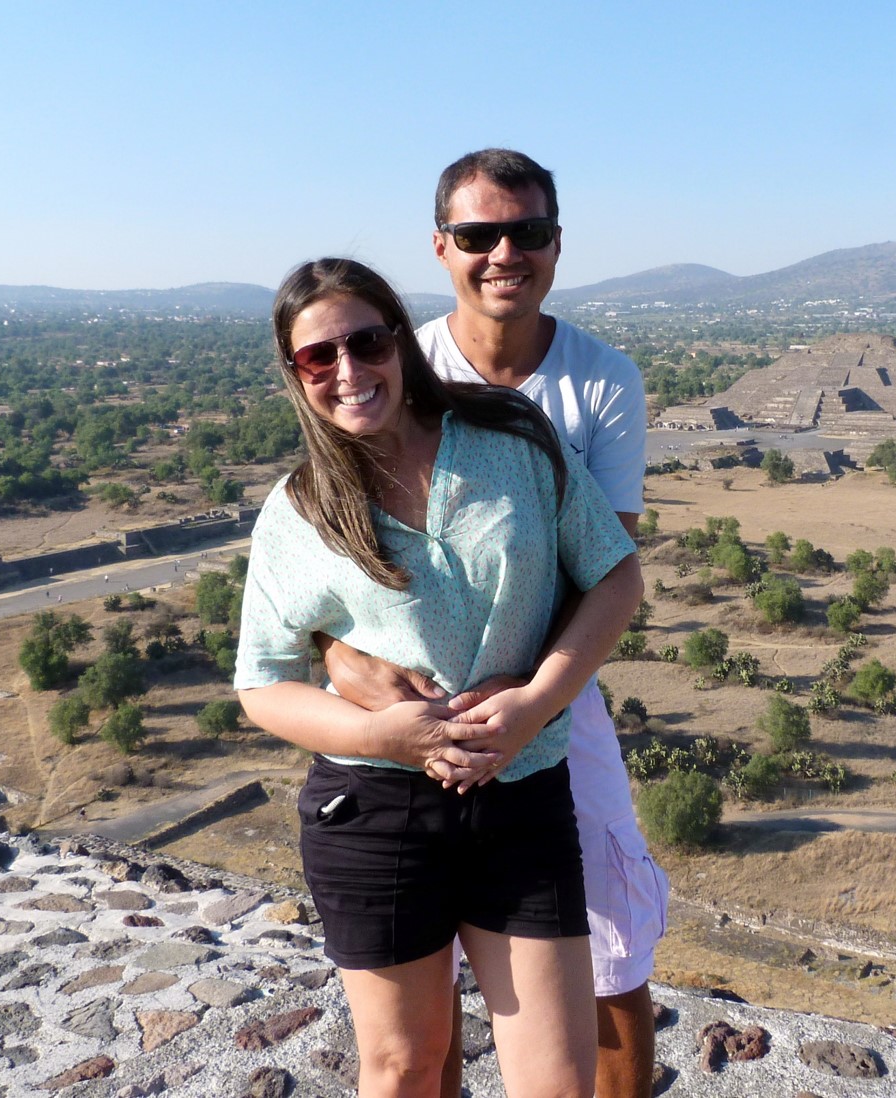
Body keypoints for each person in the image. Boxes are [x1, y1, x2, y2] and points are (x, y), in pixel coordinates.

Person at [236, 257, 642, 1098]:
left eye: (366, 342)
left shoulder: (512, 440)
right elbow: (263, 682)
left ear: (400, 341)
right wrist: (380, 734)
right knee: (405, 1069)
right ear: (295, 373)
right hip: (377, 811)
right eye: (318, 356)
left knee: (559, 1083)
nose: (348, 370)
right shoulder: (301, 509)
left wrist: (536, 704)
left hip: (520, 791)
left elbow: (614, 574)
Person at [322, 149, 668, 1098]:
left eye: (528, 231)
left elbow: (605, 563)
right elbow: (323, 546)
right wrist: (341, 658)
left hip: (551, 695)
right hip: (407, 705)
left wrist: (528, 697)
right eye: (479, 234)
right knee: (419, 978)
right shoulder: (390, 364)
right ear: (441, 247)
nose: (505, 252)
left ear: (557, 242)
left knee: (608, 949)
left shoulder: (600, 380)